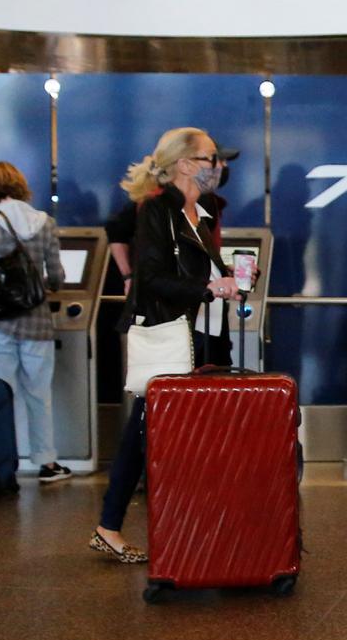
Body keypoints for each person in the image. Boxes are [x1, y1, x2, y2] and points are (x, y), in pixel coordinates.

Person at [91, 128, 240, 564]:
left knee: (200, 431)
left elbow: (200, 268)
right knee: (144, 430)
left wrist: (227, 280)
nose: (220, 167)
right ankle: (110, 524)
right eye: (212, 158)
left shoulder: (206, 208)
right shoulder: (157, 210)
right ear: (186, 164)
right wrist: (208, 289)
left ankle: (200, 520)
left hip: (207, 335)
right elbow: (153, 276)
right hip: (169, 334)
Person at [0, 162, 71, 483]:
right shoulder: (45, 222)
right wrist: (45, 287)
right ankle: (48, 463)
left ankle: (2, 464)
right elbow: (57, 275)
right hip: (37, 321)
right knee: (39, 392)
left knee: (0, 393)